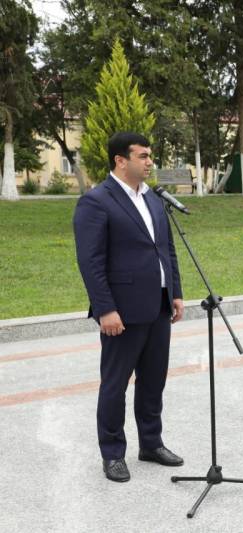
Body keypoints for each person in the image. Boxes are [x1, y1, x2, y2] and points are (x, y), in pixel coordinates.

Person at [73, 132, 185, 482]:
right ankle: (112, 454)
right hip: (121, 311)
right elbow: (90, 261)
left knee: (153, 381)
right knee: (115, 384)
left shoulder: (153, 199)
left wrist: (176, 293)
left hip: (159, 307)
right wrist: (105, 309)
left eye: (150, 156)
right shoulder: (96, 201)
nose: (150, 162)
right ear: (121, 161)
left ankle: (150, 444)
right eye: (143, 156)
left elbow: (166, 250)